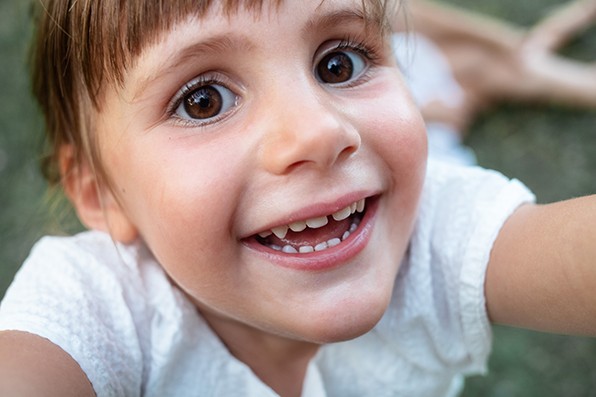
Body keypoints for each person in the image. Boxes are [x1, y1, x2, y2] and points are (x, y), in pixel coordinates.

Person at [0, 1, 595, 396]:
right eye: (203, 100)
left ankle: (488, 69)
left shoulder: (424, 228)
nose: (319, 130)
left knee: (439, 112)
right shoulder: (99, 305)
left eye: (339, 63)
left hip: (371, 181)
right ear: (100, 194)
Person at [394, 0, 596, 165]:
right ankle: (556, 33)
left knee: (507, 63)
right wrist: (425, 112)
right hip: (419, 116)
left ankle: (555, 33)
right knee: (508, 64)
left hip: (422, 85)